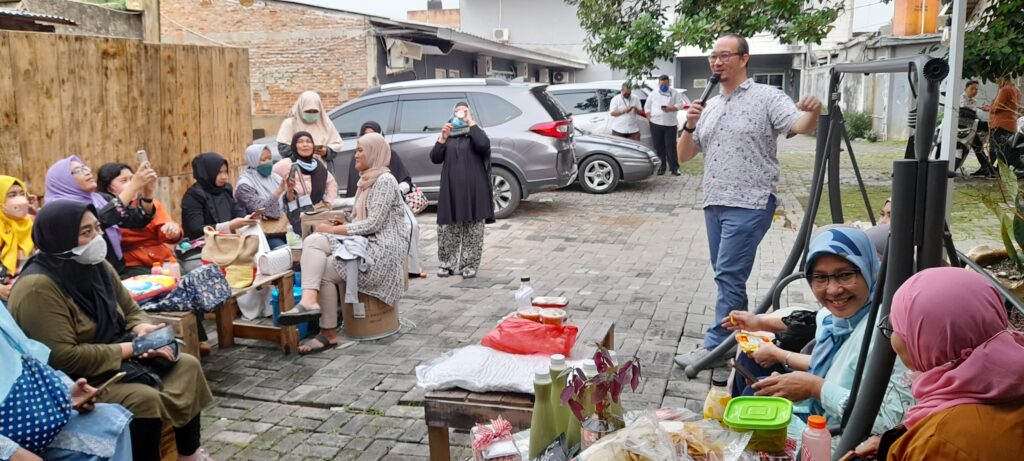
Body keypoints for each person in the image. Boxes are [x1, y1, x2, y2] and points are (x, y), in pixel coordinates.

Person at [9, 201, 214, 461]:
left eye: (97, 228)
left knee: (187, 365)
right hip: (77, 382)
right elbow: (62, 357)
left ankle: (188, 454)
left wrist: (142, 329)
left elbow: (131, 309)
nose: (97, 237)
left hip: (120, 361)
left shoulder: (96, 265)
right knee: (143, 399)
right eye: (86, 232)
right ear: (59, 238)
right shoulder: (37, 288)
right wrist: (133, 348)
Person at [674, 33, 823, 368]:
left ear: (744, 59)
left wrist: (814, 112)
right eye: (713, 56)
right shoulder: (709, 106)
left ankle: (717, 346)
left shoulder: (767, 97)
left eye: (725, 55)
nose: (717, 62)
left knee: (728, 274)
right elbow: (683, 156)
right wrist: (690, 125)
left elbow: (799, 125)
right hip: (714, 201)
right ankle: (736, 340)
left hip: (750, 202)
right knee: (727, 275)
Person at [725, 227, 912, 450]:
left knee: (751, 406)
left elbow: (888, 423)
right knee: (753, 387)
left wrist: (816, 388)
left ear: (869, 269)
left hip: (847, 442)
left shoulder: (887, 331)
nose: (833, 290)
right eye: (821, 278)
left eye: (845, 275)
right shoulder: (831, 319)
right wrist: (789, 384)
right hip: (818, 418)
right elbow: (826, 365)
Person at [847, 268, 1024, 460]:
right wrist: (895, 444)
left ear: (927, 342)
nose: (894, 337)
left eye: (897, 327)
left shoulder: (936, 443)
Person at [279, 133, 411, 354]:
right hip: (365, 243)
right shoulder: (366, 180)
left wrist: (333, 229)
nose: (355, 155)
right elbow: (362, 221)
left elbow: (373, 224)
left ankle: (328, 333)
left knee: (324, 269)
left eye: (360, 150)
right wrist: (343, 224)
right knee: (313, 240)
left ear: (374, 153)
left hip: (381, 253)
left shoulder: (385, 181)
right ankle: (309, 301)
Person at [1, 299, 133, 461]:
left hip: (26, 413)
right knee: (140, 398)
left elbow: (23, 355)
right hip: (9, 433)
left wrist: (62, 391)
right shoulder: (37, 291)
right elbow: (66, 356)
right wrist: (10, 451)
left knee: (110, 420)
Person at [45, 155, 157, 276]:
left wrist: (147, 194)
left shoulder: (100, 198)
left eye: (85, 168)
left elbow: (137, 220)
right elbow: (100, 219)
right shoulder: (60, 208)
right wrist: (133, 187)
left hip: (116, 269)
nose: (87, 172)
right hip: (85, 274)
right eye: (78, 170)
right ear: (63, 180)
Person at [347, 121, 425, 278]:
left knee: (411, 226)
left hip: (393, 200)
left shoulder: (390, 156)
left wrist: (397, 190)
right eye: (366, 135)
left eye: (373, 134)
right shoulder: (358, 158)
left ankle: (412, 268)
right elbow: (355, 190)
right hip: (368, 206)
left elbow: (405, 179)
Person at [430, 102, 494, 279]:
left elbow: (483, 145)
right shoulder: (449, 133)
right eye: (457, 111)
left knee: (473, 228)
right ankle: (446, 264)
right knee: (447, 227)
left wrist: (470, 122)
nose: (460, 114)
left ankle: (469, 265)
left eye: (464, 111)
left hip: (474, 189)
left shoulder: (475, 132)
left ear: (470, 113)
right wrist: (443, 138)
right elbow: (435, 158)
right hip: (450, 189)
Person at [97, 163, 184, 278]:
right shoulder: (107, 210)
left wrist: (173, 231)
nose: (133, 184)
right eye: (124, 180)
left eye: (133, 179)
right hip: (132, 265)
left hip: (162, 259)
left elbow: (167, 233)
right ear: (109, 188)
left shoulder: (147, 203)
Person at [181, 152, 258, 240]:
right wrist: (228, 226)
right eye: (219, 172)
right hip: (205, 244)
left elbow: (236, 211)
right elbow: (194, 230)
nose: (224, 177)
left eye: (225, 172)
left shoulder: (225, 189)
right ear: (207, 173)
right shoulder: (194, 196)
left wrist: (248, 218)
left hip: (229, 240)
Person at [273, 131, 339, 233]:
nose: (305, 145)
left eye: (308, 141)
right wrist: (285, 192)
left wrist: (329, 202)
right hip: (294, 217)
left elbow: (331, 183)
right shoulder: (285, 164)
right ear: (294, 146)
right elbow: (271, 182)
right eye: (300, 142)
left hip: (318, 213)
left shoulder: (318, 165)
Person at [234, 144, 288, 249]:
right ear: (253, 161)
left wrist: (289, 192)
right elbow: (261, 210)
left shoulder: (275, 178)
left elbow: (287, 204)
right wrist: (279, 191)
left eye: (269, 158)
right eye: (263, 160)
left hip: (284, 227)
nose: (268, 162)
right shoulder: (245, 185)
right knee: (282, 250)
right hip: (261, 233)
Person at [275, 91, 343, 168]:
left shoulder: (326, 124)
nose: (311, 114)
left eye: (315, 111)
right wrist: (304, 152)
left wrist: (326, 151)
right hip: (296, 169)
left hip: (321, 169)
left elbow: (335, 148)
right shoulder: (290, 123)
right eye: (308, 111)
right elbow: (283, 149)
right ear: (301, 108)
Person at [0, 176, 35, 301]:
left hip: (31, 288)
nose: (19, 199)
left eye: (22, 194)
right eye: (12, 195)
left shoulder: (32, 223)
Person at [644, 74, 685, 175]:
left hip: (670, 124)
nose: (663, 87)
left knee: (671, 146)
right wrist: (649, 119)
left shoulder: (674, 93)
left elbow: (680, 105)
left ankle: (674, 168)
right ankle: (661, 167)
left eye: (665, 85)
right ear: (659, 84)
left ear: (669, 83)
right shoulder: (653, 93)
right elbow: (647, 107)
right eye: (661, 85)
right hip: (655, 123)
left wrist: (670, 108)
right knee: (659, 146)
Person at [961, 80, 994, 177]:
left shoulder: (974, 101)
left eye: (976, 89)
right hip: (961, 128)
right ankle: (987, 167)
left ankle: (986, 167)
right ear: (965, 88)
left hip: (971, 128)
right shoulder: (960, 98)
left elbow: (976, 114)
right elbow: (965, 109)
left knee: (978, 147)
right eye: (972, 88)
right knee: (978, 146)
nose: (974, 91)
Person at [989, 77, 1022, 171]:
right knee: (1005, 151)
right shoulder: (1017, 90)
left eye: (998, 80)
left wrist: (991, 108)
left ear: (1003, 79)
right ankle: (1001, 171)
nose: (997, 83)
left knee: (997, 151)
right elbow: (1009, 106)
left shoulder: (1005, 89)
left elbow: (997, 107)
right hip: (1011, 125)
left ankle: (996, 172)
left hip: (1000, 124)